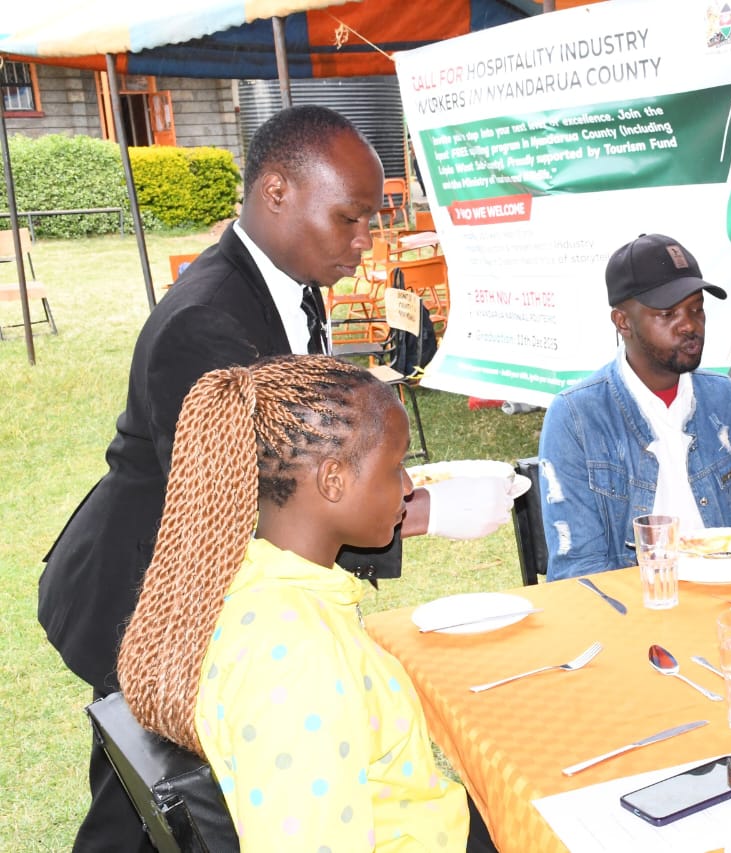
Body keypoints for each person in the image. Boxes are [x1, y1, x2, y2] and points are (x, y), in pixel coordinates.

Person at [39, 105, 512, 852]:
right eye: (349, 218)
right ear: (278, 192)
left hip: (221, 589)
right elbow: (254, 497)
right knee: (147, 806)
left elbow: (309, 455)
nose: (364, 240)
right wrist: (424, 510)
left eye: (371, 219)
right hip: (150, 586)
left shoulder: (293, 278)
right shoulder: (203, 322)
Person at [116, 355, 495, 852]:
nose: (408, 487)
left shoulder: (255, 578)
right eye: (395, 467)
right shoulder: (296, 655)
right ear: (333, 479)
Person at [539, 233, 731, 579]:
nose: (690, 325)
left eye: (696, 309)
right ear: (623, 322)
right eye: (667, 313)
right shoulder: (576, 416)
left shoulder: (726, 400)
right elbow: (579, 569)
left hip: (727, 590)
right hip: (636, 602)